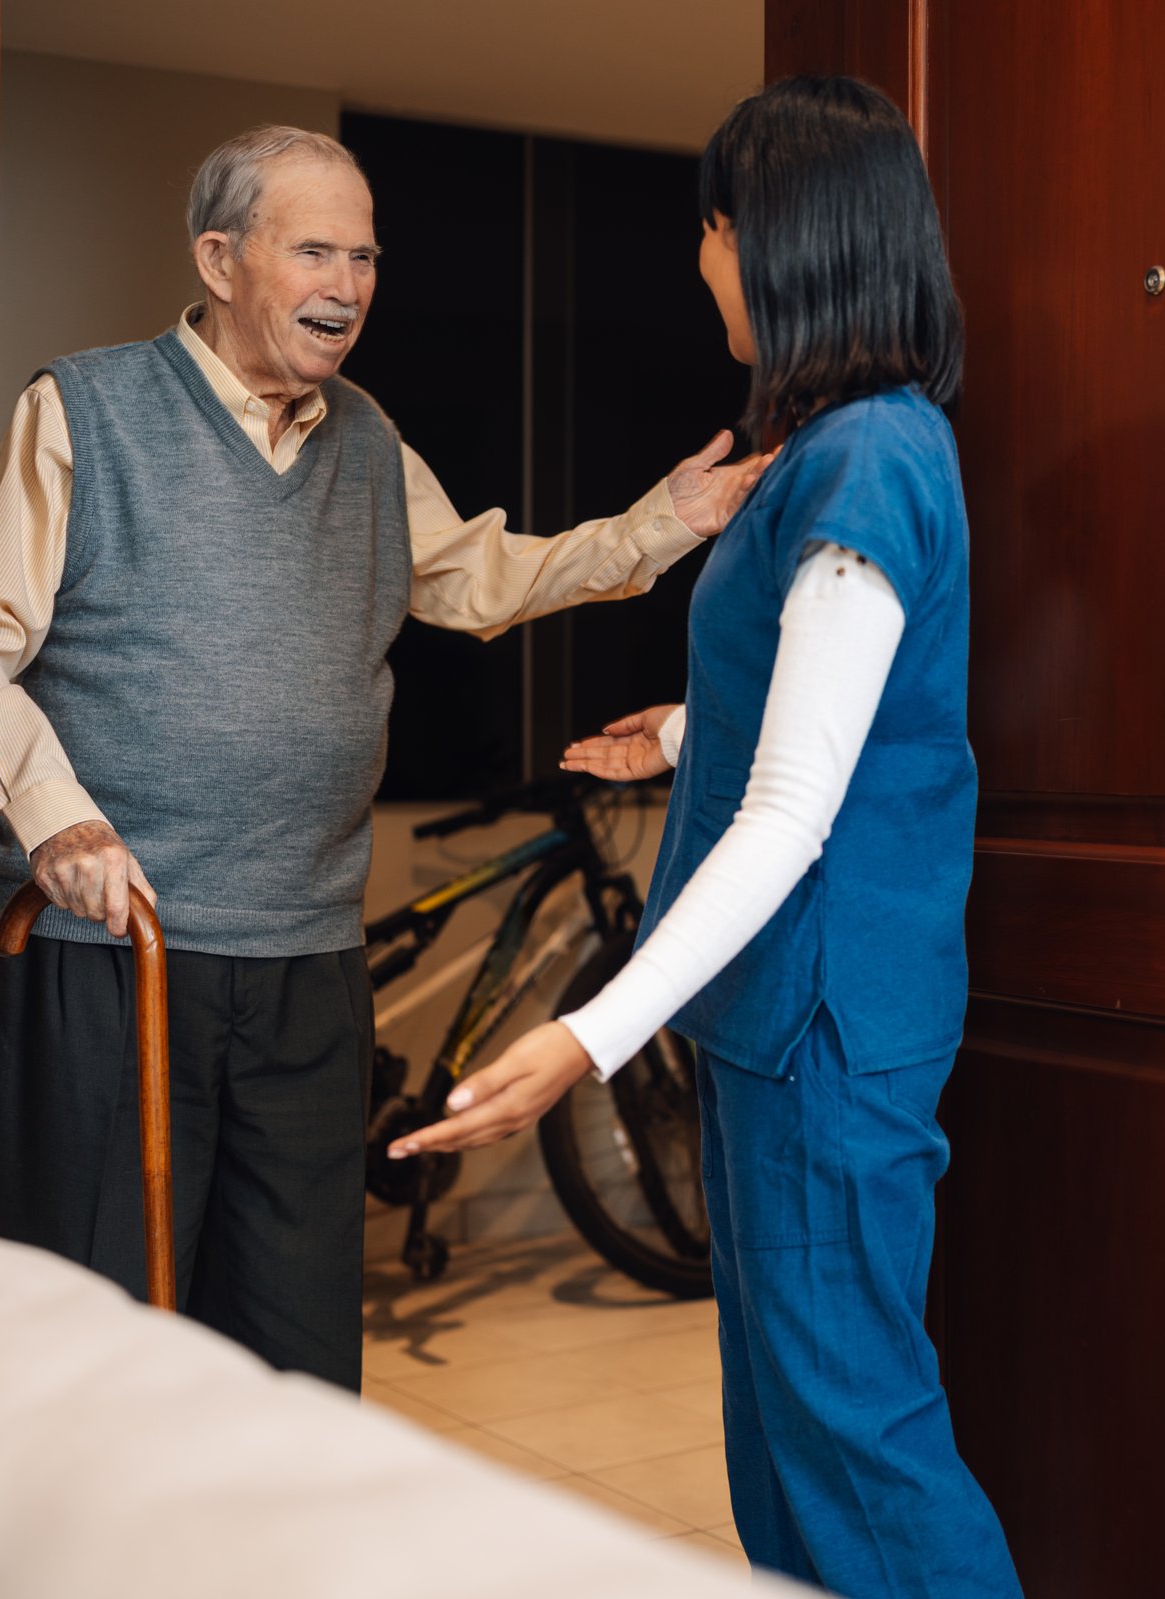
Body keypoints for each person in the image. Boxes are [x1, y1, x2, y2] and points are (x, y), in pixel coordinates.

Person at [0, 125, 765, 1393]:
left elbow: (477, 580)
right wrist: (60, 823)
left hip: (308, 954)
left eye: (366, 255)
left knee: (296, 1346)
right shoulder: (84, 410)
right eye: (313, 252)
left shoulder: (363, 434)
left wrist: (659, 525)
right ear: (220, 257)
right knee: (101, 1341)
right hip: (119, 951)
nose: (346, 285)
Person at [389, 78, 1021, 1599]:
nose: (700, 259)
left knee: (859, 1443)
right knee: (787, 1442)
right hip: (783, 1025)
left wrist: (587, 1036)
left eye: (718, 225)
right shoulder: (833, 448)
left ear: (791, 241)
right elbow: (839, 716)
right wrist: (682, 730)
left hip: (821, 1023)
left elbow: (797, 812)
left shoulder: (868, 456)